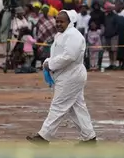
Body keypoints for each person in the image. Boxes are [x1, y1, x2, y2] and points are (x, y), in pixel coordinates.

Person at [27, 10, 97, 145]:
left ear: (69, 22)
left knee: (58, 106)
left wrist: (50, 64)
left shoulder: (73, 35)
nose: (58, 23)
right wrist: (48, 61)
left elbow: (69, 56)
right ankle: (89, 137)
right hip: (66, 75)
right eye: (57, 21)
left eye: (61, 21)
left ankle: (44, 136)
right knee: (76, 108)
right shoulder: (62, 35)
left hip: (71, 76)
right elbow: (58, 53)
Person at [103, 2, 119, 70]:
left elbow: (117, 26)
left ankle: (115, 63)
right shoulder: (106, 16)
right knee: (109, 50)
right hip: (107, 35)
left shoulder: (115, 16)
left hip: (114, 36)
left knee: (114, 50)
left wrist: (114, 32)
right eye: (107, 8)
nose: (108, 9)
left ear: (112, 9)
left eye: (109, 8)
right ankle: (111, 63)